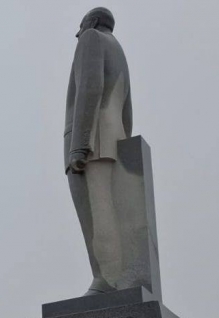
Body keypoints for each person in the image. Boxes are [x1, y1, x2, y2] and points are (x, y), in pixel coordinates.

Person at [64, 7, 133, 295]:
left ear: (91, 22)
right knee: (109, 209)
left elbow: (90, 87)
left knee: (95, 210)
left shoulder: (91, 38)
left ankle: (105, 278)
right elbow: (127, 106)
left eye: (80, 26)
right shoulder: (118, 49)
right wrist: (124, 142)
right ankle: (110, 276)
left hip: (92, 139)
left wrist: (79, 145)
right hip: (113, 136)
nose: (77, 34)